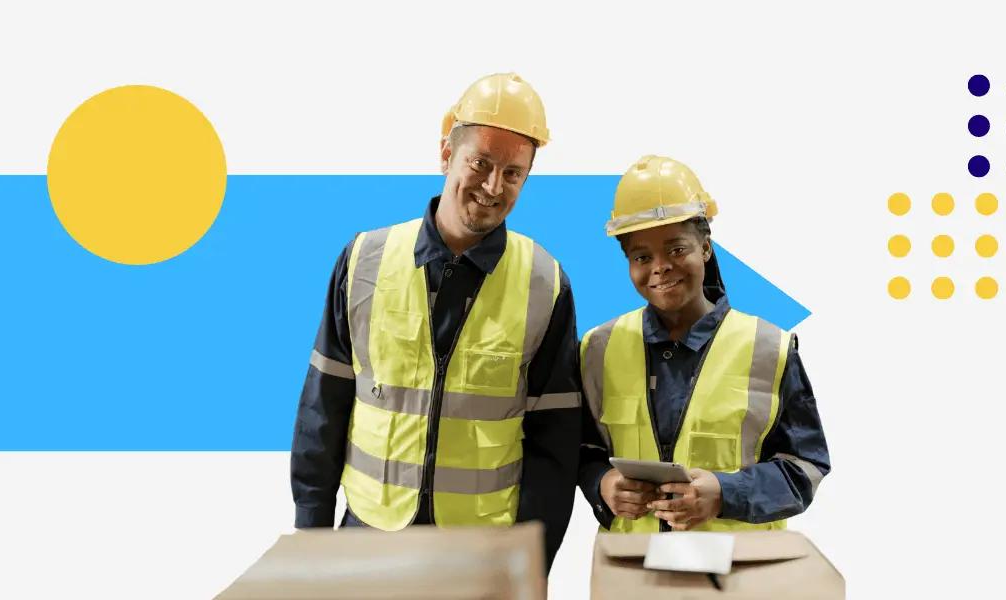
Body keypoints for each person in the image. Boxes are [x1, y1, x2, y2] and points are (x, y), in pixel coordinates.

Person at [291, 73, 581, 570]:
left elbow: (554, 446)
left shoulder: (545, 283)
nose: (493, 187)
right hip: (369, 535)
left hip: (480, 549)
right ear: (447, 154)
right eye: (481, 163)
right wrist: (312, 535)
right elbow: (325, 404)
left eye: (513, 174)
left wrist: (530, 563)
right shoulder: (364, 260)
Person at [578, 155, 830, 532]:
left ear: (706, 249)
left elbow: (806, 466)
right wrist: (603, 484)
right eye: (642, 256)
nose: (660, 266)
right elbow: (579, 449)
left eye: (677, 249)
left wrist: (726, 493)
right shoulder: (599, 348)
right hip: (630, 572)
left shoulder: (768, 349)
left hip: (736, 577)